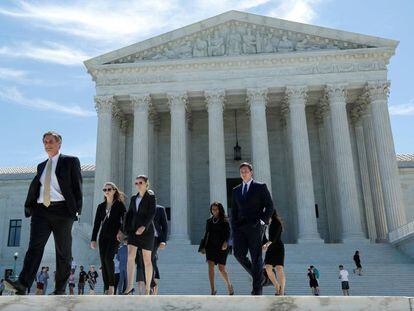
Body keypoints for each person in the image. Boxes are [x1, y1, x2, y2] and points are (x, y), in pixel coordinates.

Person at [4, 131, 83, 295]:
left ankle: (60, 289)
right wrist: (32, 207)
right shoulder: (41, 166)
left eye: (51, 141)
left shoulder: (70, 161)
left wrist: (76, 211)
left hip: (62, 210)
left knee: (63, 251)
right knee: (34, 248)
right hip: (41, 211)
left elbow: (77, 187)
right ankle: (23, 283)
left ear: (59, 143)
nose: (47, 144)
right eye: (45, 142)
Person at [231, 162, 274, 295]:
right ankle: (261, 277)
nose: (243, 173)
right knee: (238, 254)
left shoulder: (260, 187)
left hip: (255, 226)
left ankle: (257, 289)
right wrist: (234, 226)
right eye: (241, 171)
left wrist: (262, 221)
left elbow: (270, 205)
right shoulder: (236, 190)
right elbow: (234, 210)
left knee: (256, 257)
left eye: (246, 171)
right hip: (240, 228)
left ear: (251, 172)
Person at [123, 175, 156, 295]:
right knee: (130, 257)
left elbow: (152, 213)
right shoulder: (133, 199)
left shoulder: (151, 197)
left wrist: (144, 226)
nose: (138, 185)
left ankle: (147, 288)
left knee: (147, 260)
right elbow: (130, 214)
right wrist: (125, 231)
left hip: (147, 232)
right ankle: (129, 286)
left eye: (140, 182)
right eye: (136, 183)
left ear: (147, 184)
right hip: (133, 232)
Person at [91, 182, 126, 295]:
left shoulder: (119, 205)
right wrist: (93, 239)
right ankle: (106, 287)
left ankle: (111, 285)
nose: (106, 191)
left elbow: (125, 220)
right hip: (103, 237)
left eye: (109, 189)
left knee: (108, 259)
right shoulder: (101, 206)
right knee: (103, 261)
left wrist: (121, 231)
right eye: (104, 189)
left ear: (114, 190)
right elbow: (96, 224)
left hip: (114, 236)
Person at [201, 202, 233, 295]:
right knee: (210, 266)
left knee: (221, 268)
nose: (214, 211)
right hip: (210, 246)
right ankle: (213, 289)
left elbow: (229, 233)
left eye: (216, 209)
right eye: (212, 209)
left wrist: (226, 242)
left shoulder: (225, 220)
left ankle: (229, 284)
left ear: (220, 210)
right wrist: (203, 247)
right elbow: (206, 234)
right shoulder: (209, 221)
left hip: (222, 246)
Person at [262, 210, 286, 295]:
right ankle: (277, 286)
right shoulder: (264, 225)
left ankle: (282, 292)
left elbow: (274, 238)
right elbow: (263, 238)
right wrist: (263, 245)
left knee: (279, 268)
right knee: (268, 269)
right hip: (270, 249)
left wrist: (266, 245)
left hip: (278, 248)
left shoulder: (277, 223)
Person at [151, 205, 168, 295]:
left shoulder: (159, 209)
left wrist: (163, 241)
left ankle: (152, 284)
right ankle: (152, 283)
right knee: (148, 260)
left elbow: (164, 226)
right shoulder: (142, 207)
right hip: (144, 238)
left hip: (155, 238)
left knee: (151, 259)